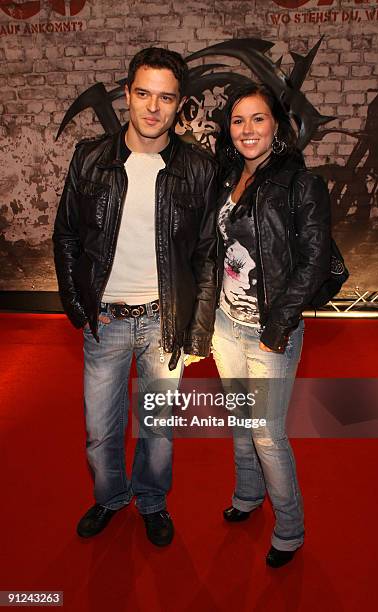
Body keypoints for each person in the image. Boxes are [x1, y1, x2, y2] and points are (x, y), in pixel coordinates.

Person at [53, 47, 217, 546]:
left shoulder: (198, 168)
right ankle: (110, 498)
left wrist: (196, 329)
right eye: (143, 93)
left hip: (164, 322)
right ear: (127, 95)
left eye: (165, 98)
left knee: (158, 431)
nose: (152, 107)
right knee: (100, 433)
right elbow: (65, 237)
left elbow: (207, 253)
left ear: (180, 105)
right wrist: (78, 308)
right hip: (105, 320)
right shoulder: (90, 157)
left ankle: (150, 500)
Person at [212, 83, 331, 567]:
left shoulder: (301, 184)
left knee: (266, 432)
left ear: (277, 125)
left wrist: (278, 325)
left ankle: (291, 527)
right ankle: (246, 495)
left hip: (269, 332)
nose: (247, 130)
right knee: (240, 422)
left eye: (257, 119)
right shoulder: (228, 177)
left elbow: (314, 262)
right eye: (238, 121)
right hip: (225, 324)